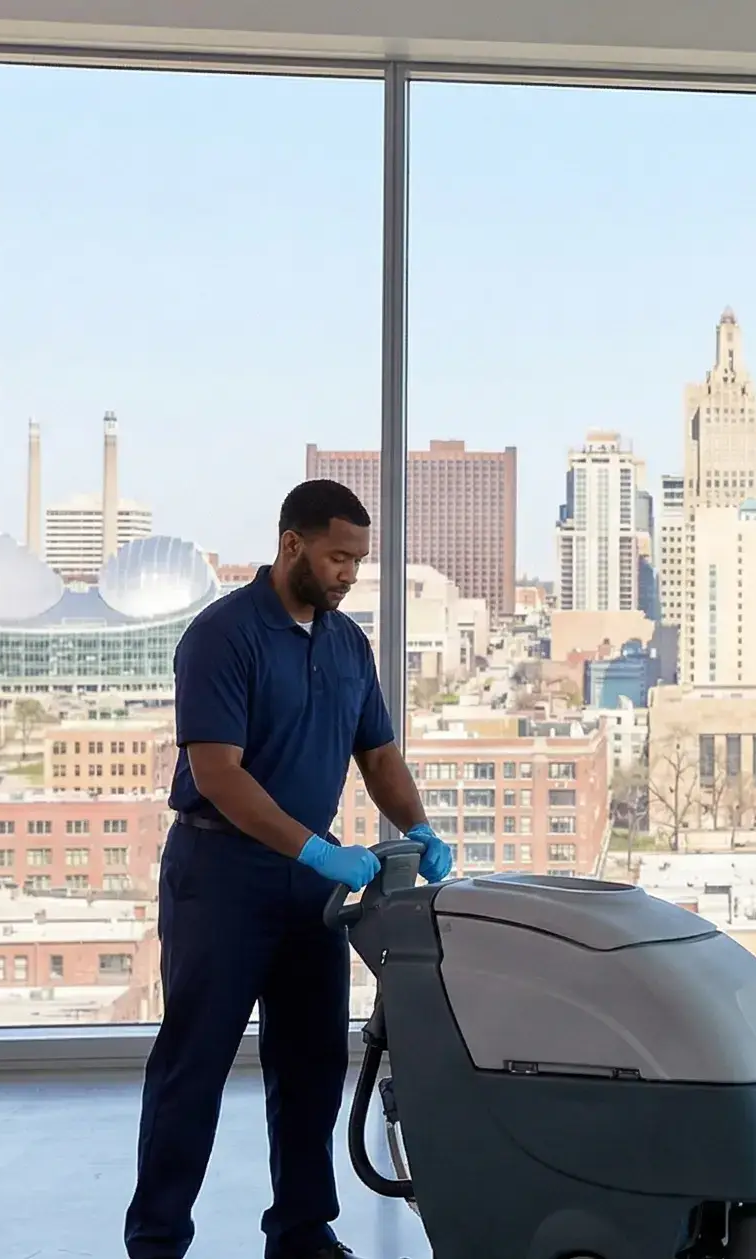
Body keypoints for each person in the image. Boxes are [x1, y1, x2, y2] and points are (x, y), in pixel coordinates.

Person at [126, 480, 454, 1259]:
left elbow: (378, 753)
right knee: (194, 1063)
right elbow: (218, 773)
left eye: (358, 561)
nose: (348, 574)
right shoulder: (222, 636)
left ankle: (302, 1232)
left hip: (310, 887)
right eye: (338, 557)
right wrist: (312, 848)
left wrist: (419, 825)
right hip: (220, 874)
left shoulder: (347, 645)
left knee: (311, 1062)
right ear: (291, 545)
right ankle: (157, 1240)